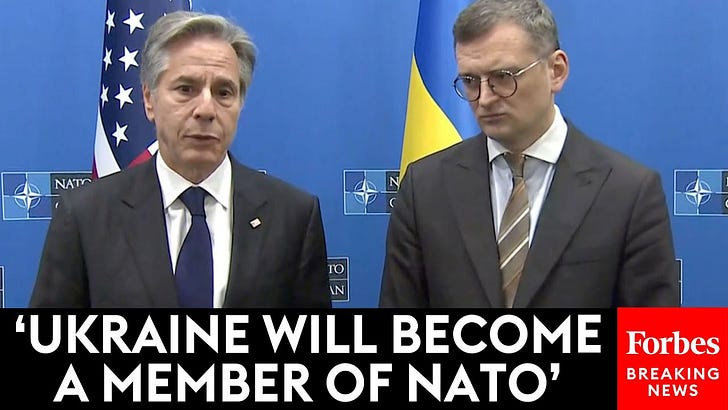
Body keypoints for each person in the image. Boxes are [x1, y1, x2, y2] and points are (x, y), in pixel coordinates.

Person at [379, 0, 678, 308]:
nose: (484, 98)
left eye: (503, 77)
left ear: (556, 71)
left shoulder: (629, 193)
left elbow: (652, 333)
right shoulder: (425, 187)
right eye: (470, 81)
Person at [30, 11, 331, 308]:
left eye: (223, 92)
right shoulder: (86, 215)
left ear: (240, 103)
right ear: (149, 99)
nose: (206, 110)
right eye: (186, 89)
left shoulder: (292, 217)